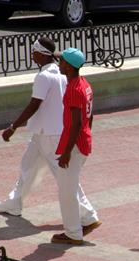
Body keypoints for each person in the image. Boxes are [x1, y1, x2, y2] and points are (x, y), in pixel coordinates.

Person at [0, 39, 100, 241]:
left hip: (53, 137)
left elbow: (35, 104)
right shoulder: (68, 76)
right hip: (47, 133)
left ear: (42, 54)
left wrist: (13, 127)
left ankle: (87, 216)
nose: (32, 55)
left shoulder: (46, 77)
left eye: (34, 52)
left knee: (66, 181)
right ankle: (14, 202)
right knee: (27, 166)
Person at [50, 47, 99, 245]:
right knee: (70, 186)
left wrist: (67, 153)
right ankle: (89, 219)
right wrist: (87, 135)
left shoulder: (73, 89)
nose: (58, 64)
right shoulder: (84, 84)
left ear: (69, 66)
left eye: (61, 61)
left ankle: (72, 233)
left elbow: (77, 123)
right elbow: (90, 117)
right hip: (82, 142)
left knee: (66, 192)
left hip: (73, 145)